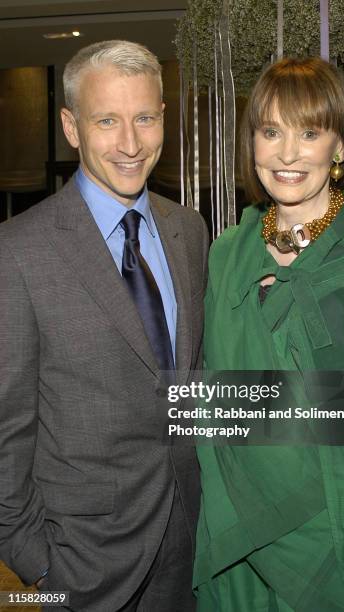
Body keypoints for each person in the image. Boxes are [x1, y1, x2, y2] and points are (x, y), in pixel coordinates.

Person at [0, 40, 208, 611]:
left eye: (144, 118)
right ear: (70, 127)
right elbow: (5, 430)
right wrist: (37, 564)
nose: (131, 143)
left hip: (193, 545)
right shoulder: (16, 252)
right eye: (107, 121)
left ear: (164, 118)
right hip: (79, 562)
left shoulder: (190, 232)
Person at [194, 57, 344, 611]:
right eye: (271, 131)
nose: (288, 153)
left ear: (338, 147)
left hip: (337, 538)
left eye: (309, 132)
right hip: (240, 530)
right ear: (253, 144)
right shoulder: (224, 257)